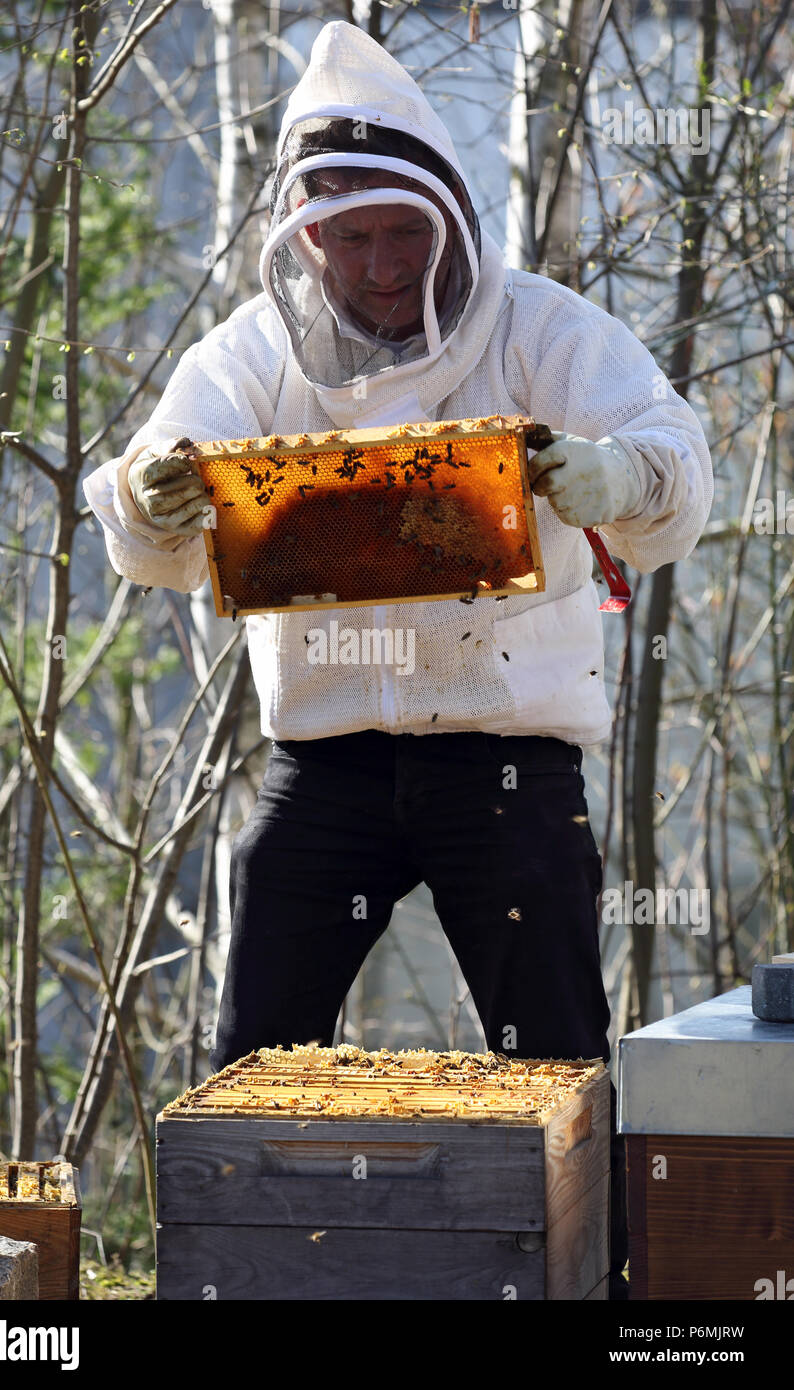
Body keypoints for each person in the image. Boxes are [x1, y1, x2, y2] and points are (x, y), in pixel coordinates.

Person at [83, 21, 714, 1300]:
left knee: (553, 1063)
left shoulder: (538, 329)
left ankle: (598, 1294)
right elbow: (149, 513)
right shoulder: (256, 355)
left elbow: (676, 458)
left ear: (445, 216)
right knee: (255, 1049)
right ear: (305, 239)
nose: (377, 267)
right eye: (349, 238)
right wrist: (152, 492)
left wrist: (607, 474)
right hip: (327, 768)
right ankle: (239, 1281)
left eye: (401, 233)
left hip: (507, 760)